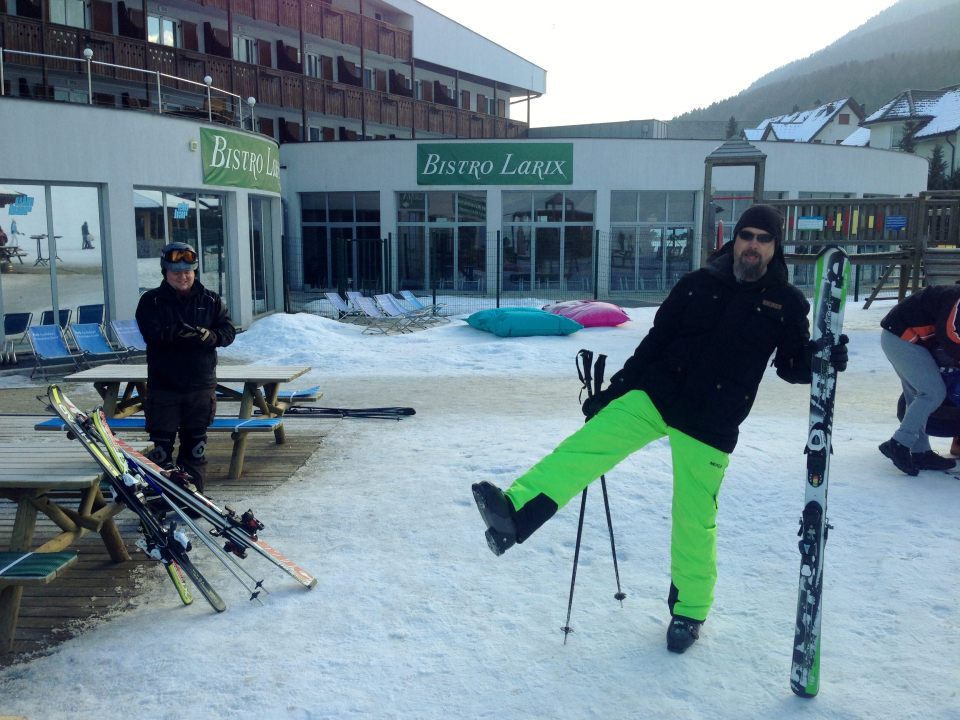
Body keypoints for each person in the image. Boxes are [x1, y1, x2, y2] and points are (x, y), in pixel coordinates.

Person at [472, 205, 849, 654]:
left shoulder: (786, 303)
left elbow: (790, 366)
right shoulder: (697, 284)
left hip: (712, 419)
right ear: (734, 240)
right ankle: (514, 515)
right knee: (585, 448)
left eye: (762, 238)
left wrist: (821, 360)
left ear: (774, 246)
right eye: (746, 235)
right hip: (656, 395)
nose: (752, 245)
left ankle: (689, 612)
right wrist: (613, 394)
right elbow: (654, 343)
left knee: (694, 518)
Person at [135, 241, 236, 492]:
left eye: (188, 272)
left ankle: (193, 500)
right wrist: (178, 334)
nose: (183, 277)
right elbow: (151, 334)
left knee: (195, 448)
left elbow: (228, 331)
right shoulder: (151, 301)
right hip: (164, 387)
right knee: (159, 451)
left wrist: (211, 336)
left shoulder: (210, 300)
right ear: (165, 273)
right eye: (177, 272)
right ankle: (158, 500)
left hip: (199, 387)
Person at [878, 285, 960, 475]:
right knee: (932, 393)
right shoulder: (957, 298)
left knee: (916, 396)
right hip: (902, 338)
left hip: (906, 339)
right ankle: (898, 443)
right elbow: (949, 334)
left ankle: (920, 452)